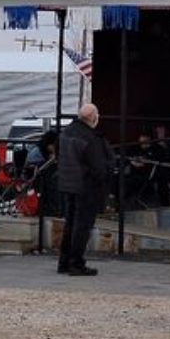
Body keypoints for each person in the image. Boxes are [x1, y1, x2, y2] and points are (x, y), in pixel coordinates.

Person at [58, 103, 111, 276]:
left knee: (70, 224)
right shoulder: (90, 137)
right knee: (82, 226)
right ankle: (76, 263)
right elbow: (98, 166)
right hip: (86, 187)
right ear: (94, 118)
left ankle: (64, 262)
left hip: (68, 184)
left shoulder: (66, 132)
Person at [125, 132, 167, 207]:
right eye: (142, 139)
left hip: (150, 175)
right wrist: (133, 162)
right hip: (133, 174)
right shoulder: (134, 148)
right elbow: (127, 158)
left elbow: (158, 160)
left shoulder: (157, 149)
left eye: (146, 139)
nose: (144, 141)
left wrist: (145, 162)